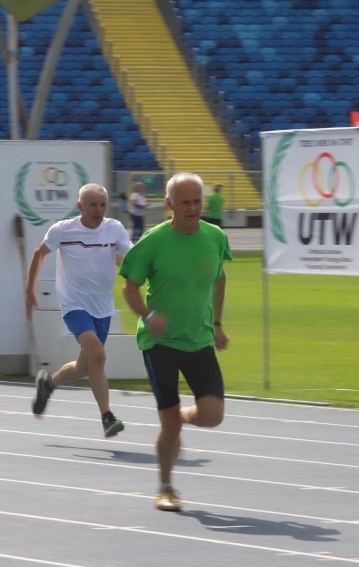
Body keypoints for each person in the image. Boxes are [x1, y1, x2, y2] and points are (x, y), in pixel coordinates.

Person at [119, 172, 232, 512]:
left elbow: (220, 277)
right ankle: (165, 488)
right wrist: (149, 316)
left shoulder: (215, 237)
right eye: (185, 202)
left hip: (199, 340)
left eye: (197, 201)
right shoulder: (153, 242)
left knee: (213, 416)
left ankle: (181, 417)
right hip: (160, 342)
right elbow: (129, 287)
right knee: (167, 422)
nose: (194, 208)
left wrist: (217, 323)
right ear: (169, 205)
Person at [26, 183, 133, 438]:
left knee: (84, 367)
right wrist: (29, 289)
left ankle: (47, 384)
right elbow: (39, 253)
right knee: (97, 353)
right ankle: (107, 417)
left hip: (103, 306)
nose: (98, 210)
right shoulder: (63, 230)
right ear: (79, 206)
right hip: (74, 304)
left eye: (102, 205)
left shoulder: (114, 228)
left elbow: (131, 256)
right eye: (92, 205)